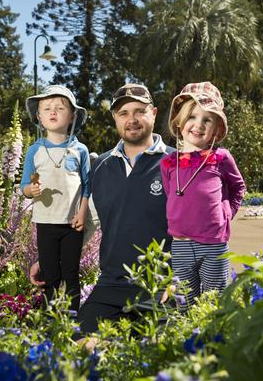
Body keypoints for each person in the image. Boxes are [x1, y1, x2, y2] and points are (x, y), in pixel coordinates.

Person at [30, 83, 175, 335]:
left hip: (159, 288)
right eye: (123, 113)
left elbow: (192, 232)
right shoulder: (101, 167)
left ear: (153, 112)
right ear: (115, 119)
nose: (132, 120)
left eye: (139, 111)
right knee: (74, 345)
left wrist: (178, 281)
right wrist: (50, 257)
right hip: (110, 287)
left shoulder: (175, 163)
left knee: (150, 355)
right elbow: (86, 223)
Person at [160, 82, 246, 304]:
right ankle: (186, 340)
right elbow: (173, 196)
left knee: (213, 302)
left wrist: (226, 213)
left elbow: (238, 187)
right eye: (192, 117)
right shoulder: (169, 163)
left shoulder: (221, 157)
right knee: (184, 301)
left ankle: (212, 339)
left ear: (216, 129)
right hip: (180, 245)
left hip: (213, 243)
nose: (198, 125)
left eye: (207, 119)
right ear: (179, 122)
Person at [20, 85, 91, 313]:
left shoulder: (80, 150)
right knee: (50, 274)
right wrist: (32, 190)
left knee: (70, 273)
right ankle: (52, 319)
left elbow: (87, 187)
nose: (53, 112)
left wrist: (82, 212)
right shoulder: (34, 151)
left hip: (72, 224)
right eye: (47, 108)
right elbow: (24, 186)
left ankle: (72, 318)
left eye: (60, 108)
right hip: (45, 221)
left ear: (72, 116)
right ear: (39, 117)